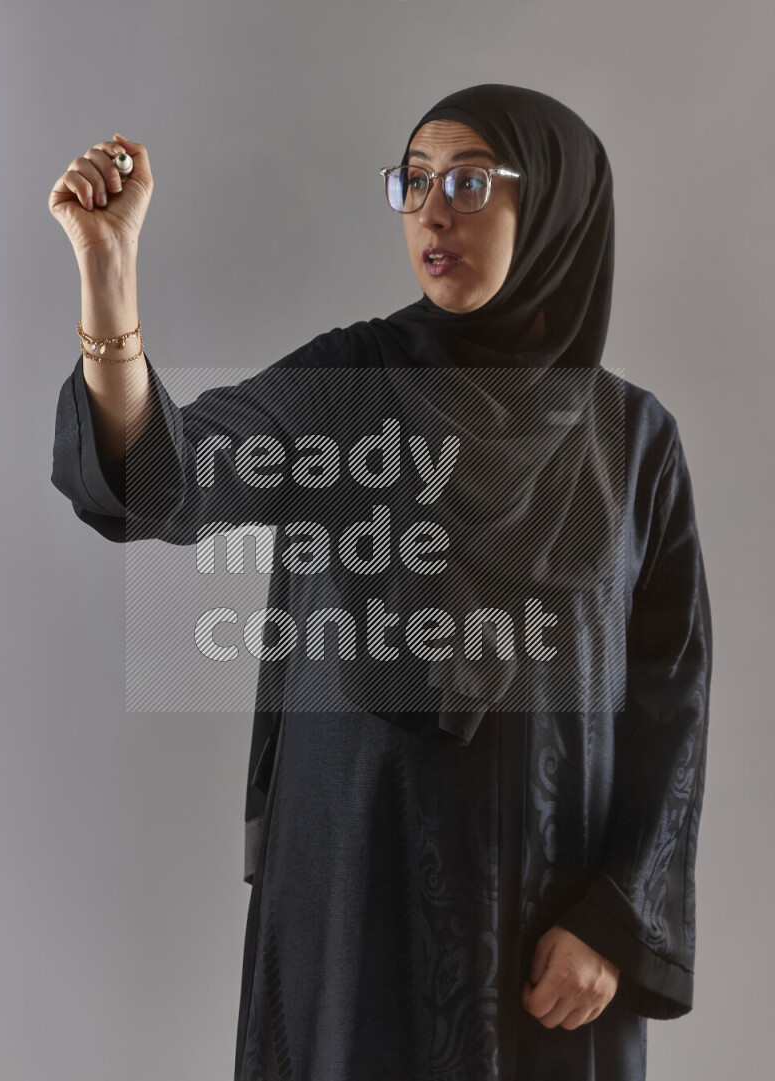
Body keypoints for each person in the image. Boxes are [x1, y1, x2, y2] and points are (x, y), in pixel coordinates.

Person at [48, 84, 713, 1081]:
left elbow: (671, 703)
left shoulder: (631, 442)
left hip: (546, 935)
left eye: (468, 180)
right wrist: (109, 276)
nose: (431, 211)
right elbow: (166, 479)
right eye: (412, 181)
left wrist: (617, 920)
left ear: (559, 207)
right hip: (352, 899)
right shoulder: (350, 387)